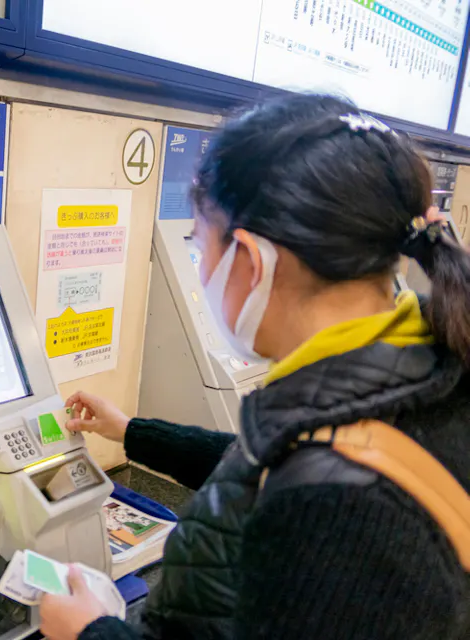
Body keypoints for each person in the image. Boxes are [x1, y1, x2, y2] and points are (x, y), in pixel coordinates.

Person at [39, 94, 470, 640]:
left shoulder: (339, 504)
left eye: (202, 244)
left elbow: (308, 488)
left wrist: (90, 632)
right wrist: (131, 432)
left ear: (251, 259)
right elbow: (274, 466)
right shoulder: (425, 364)